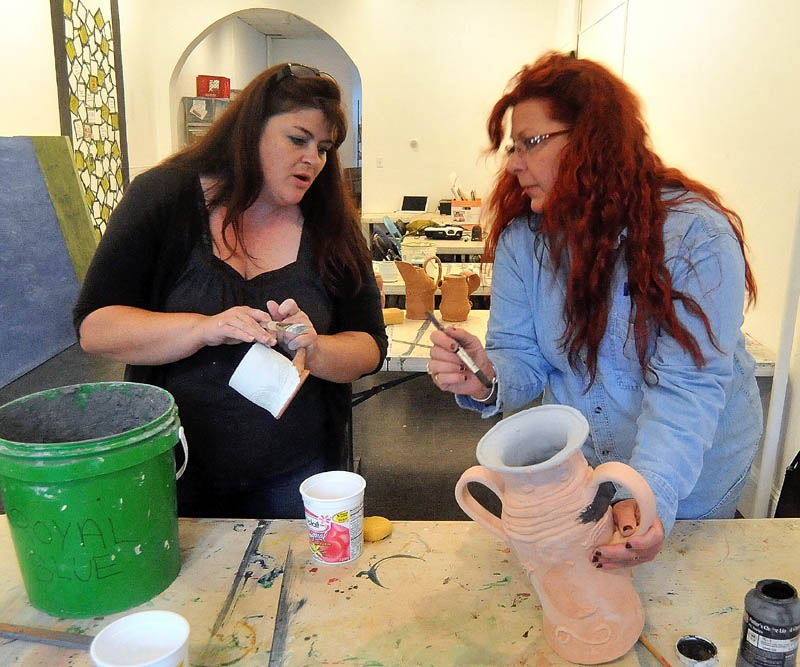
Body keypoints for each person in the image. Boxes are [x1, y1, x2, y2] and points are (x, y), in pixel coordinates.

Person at [428, 52, 762, 569]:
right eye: (511, 147)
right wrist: (487, 377)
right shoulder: (527, 238)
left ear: (592, 142)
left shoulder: (692, 235)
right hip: (594, 456)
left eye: (529, 143)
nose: (513, 163)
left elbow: (687, 391)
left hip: (694, 460)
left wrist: (652, 494)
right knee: (602, 576)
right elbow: (520, 353)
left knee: (678, 585)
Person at [74, 63, 387, 519]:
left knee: (296, 584)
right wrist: (204, 328)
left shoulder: (330, 226)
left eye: (323, 149)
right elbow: (96, 327)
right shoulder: (165, 198)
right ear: (249, 130)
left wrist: (314, 349)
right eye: (297, 139)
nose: (312, 160)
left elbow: (370, 346)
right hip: (174, 469)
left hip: (294, 472)